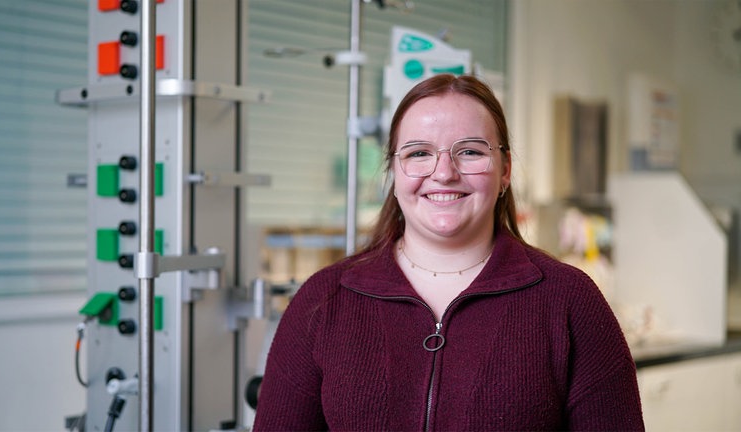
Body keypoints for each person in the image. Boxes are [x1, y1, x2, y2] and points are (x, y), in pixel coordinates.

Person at [253, 74, 644, 431]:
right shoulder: (324, 300)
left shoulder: (570, 300)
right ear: (393, 172)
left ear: (505, 169)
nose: (443, 173)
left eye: (470, 152)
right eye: (418, 153)